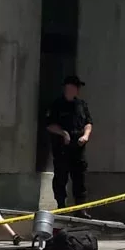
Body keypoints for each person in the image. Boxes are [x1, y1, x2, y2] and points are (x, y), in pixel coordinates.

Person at [45, 75, 93, 218]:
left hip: (78, 149)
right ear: (68, 87)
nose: (77, 89)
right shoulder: (57, 104)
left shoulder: (81, 105)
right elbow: (49, 125)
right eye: (75, 86)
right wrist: (63, 133)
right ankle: (61, 207)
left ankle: (81, 209)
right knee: (61, 178)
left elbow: (88, 123)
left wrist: (86, 136)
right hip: (62, 149)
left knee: (80, 179)